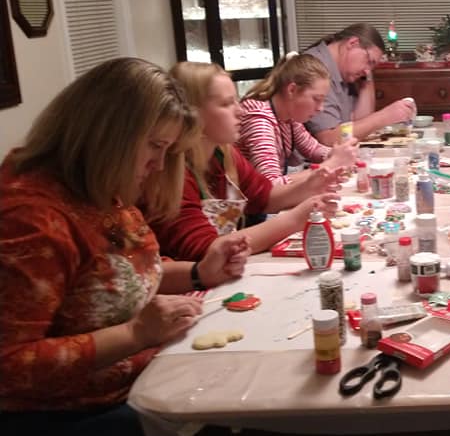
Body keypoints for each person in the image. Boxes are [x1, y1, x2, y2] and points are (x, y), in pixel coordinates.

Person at [0, 58, 252, 436]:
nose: (157, 165)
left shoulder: (98, 188)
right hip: (47, 422)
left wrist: (200, 273)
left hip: (131, 387)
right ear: (107, 133)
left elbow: (119, 278)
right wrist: (136, 333)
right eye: (154, 146)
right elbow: (9, 366)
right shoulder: (31, 218)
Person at [154, 62, 341, 262]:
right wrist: (295, 219)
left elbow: (264, 197)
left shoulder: (224, 153)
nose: (240, 112)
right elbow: (208, 251)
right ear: (193, 113)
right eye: (226, 104)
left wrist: (308, 186)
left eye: (236, 100)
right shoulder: (171, 172)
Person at [238, 52, 358, 184]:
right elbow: (271, 184)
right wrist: (331, 163)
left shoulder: (288, 117)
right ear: (292, 90)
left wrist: (338, 155)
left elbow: (312, 149)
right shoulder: (259, 119)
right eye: (317, 99)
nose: (321, 108)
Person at [301, 23, 417, 145]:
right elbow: (329, 138)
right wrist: (385, 116)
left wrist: (367, 79)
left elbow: (360, 125)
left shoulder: (345, 70)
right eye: (369, 61)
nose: (367, 71)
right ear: (353, 43)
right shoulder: (315, 68)